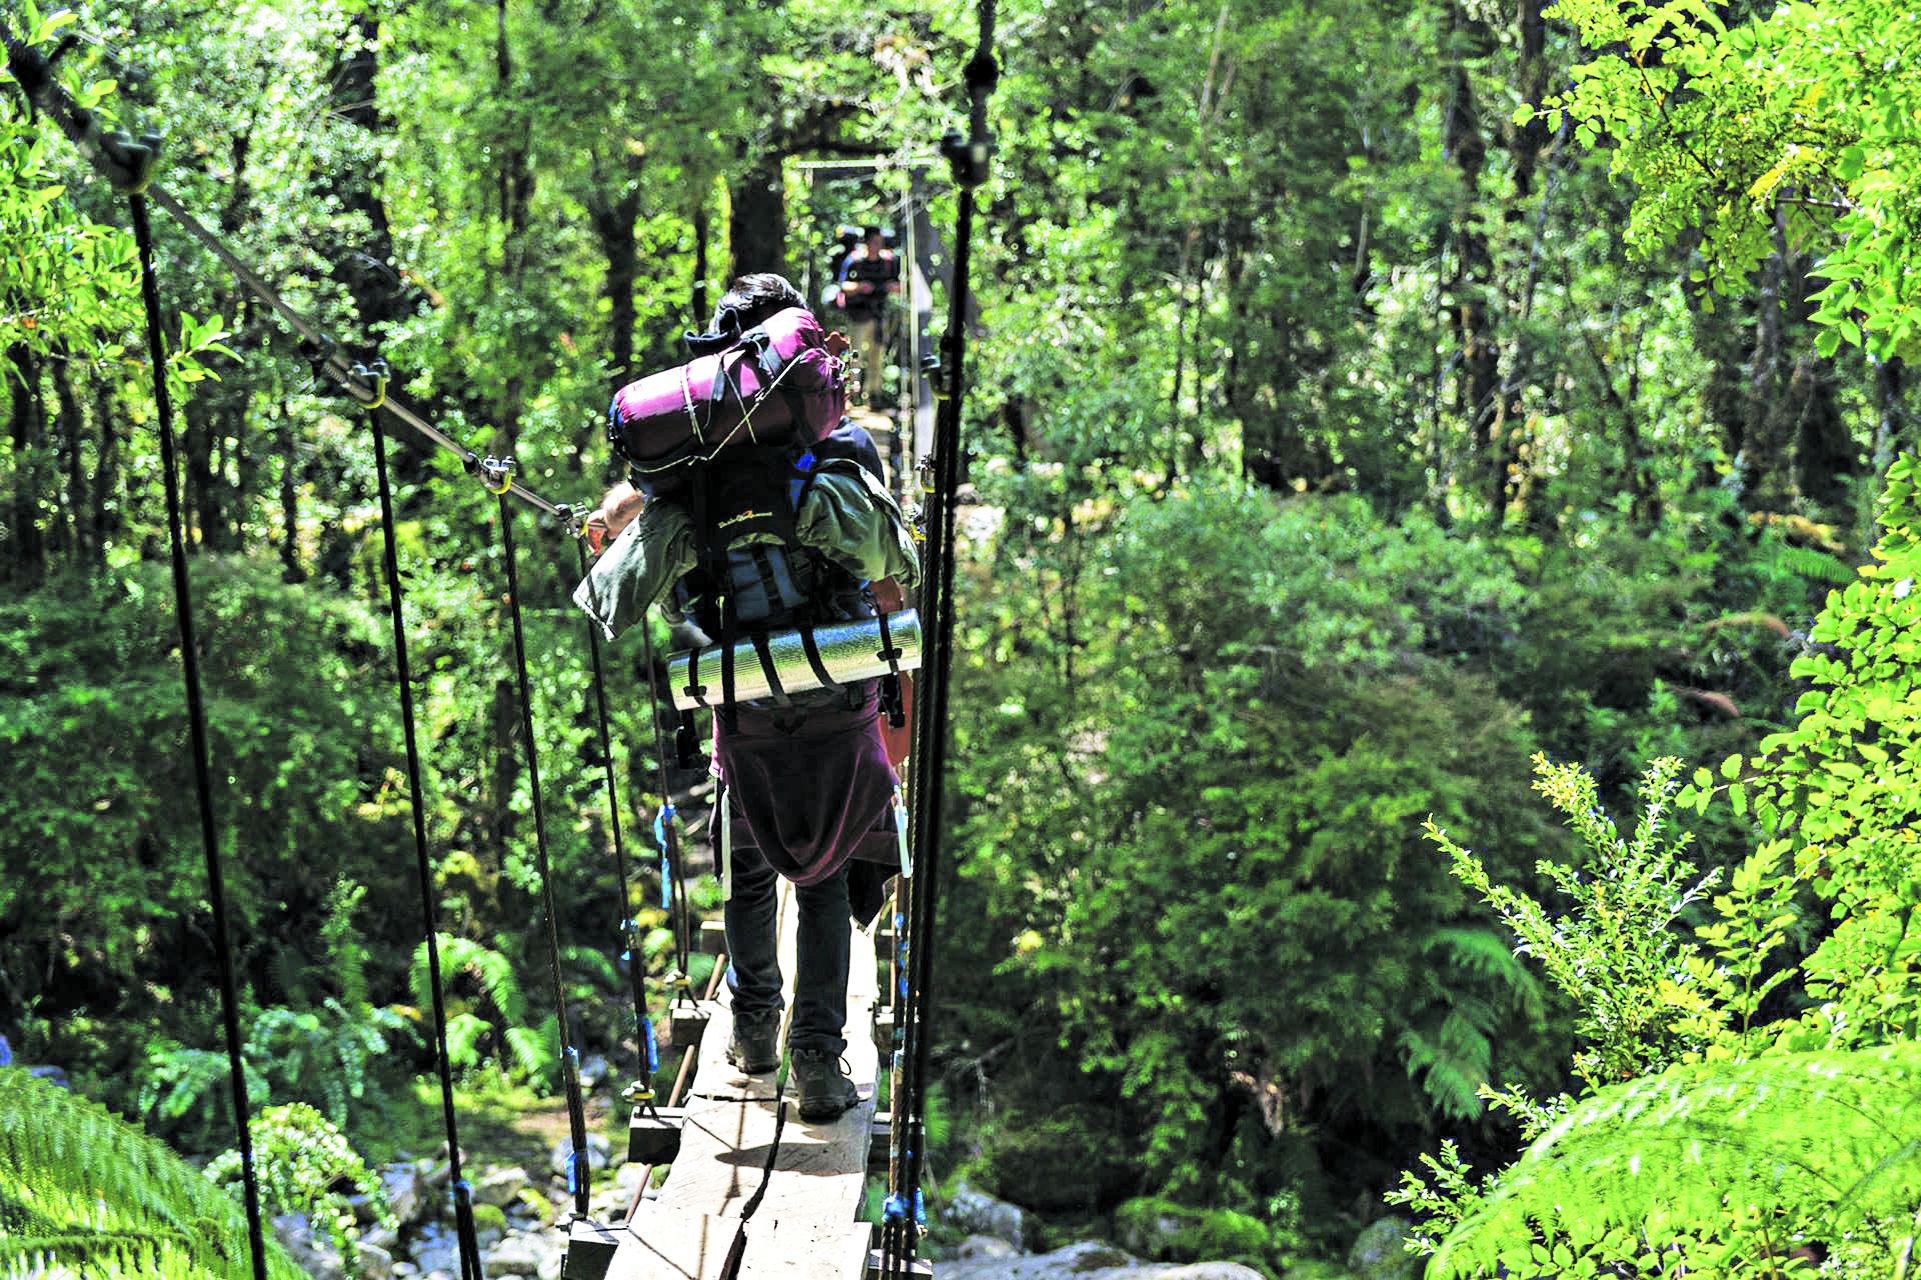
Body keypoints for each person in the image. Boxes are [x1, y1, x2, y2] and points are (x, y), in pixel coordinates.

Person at [581, 274, 917, 1123]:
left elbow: (607, 599)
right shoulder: (842, 458)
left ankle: (756, 1035)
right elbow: (895, 574)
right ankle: (818, 1067)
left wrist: (620, 519)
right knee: (830, 876)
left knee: (748, 866)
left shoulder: (687, 483)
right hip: (839, 695)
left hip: (744, 707)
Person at [835, 226, 901, 410]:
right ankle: (850, 393)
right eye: (874, 242)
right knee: (855, 355)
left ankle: (872, 395)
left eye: (880, 242)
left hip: (879, 316)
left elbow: (899, 285)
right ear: (867, 243)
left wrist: (891, 287)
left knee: (877, 357)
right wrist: (859, 287)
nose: (877, 246)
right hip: (858, 316)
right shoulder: (854, 261)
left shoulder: (888, 262)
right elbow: (842, 285)